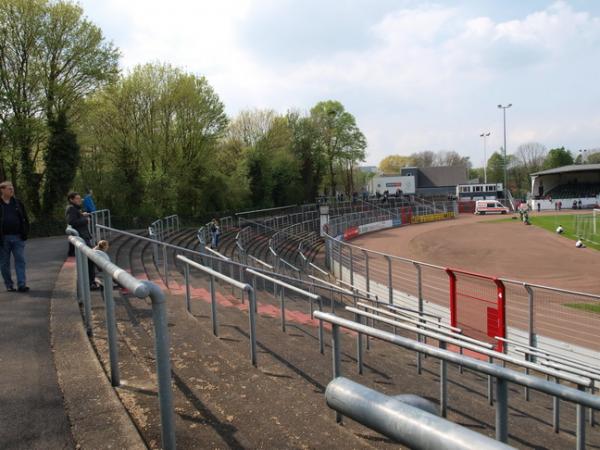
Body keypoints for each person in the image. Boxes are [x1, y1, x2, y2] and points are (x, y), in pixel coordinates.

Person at [0, 181, 30, 292]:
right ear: (2, 190)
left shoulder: (17, 203)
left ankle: (21, 284)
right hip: (3, 239)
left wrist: (25, 232)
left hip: (18, 237)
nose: (12, 190)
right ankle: (9, 285)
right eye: (9, 188)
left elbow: (25, 219)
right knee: (4, 263)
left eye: (12, 188)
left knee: (20, 260)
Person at [66, 192, 98, 290]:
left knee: (91, 259)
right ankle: (90, 283)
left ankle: (91, 281)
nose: (80, 200)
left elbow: (75, 219)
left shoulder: (75, 208)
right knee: (90, 260)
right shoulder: (71, 208)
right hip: (82, 238)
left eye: (80, 198)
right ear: (71, 199)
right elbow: (71, 222)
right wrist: (85, 220)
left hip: (84, 237)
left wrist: (82, 215)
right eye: (77, 198)